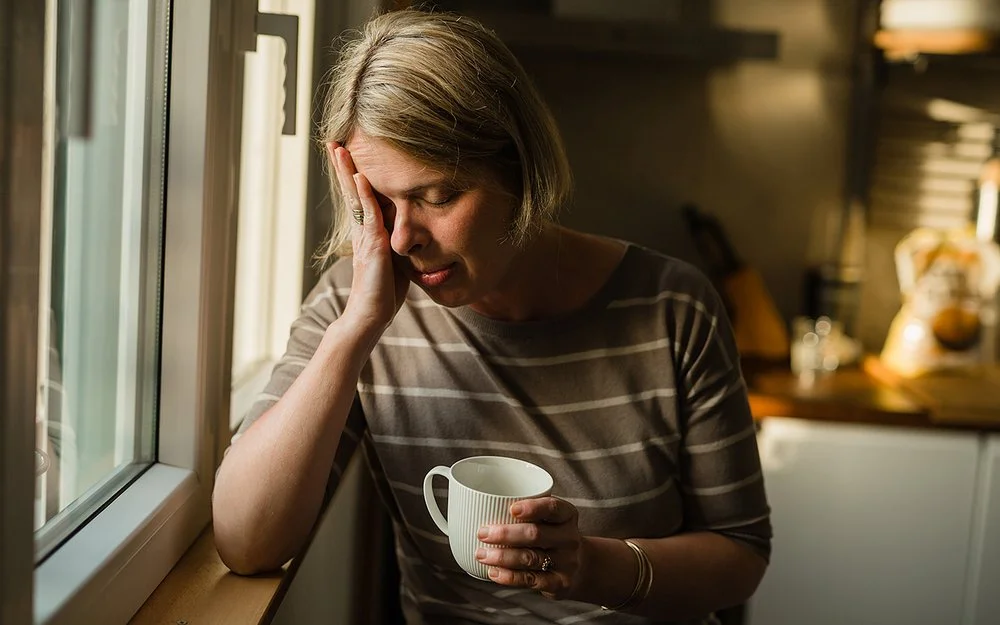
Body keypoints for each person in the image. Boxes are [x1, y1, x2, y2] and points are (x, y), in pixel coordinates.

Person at [212, 8, 771, 625]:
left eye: (436, 196)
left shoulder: (673, 309)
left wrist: (591, 567)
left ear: (519, 169)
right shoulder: (356, 306)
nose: (401, 239)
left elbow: (740, 554)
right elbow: (246, 541)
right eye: (379, 203)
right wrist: (353, 335)